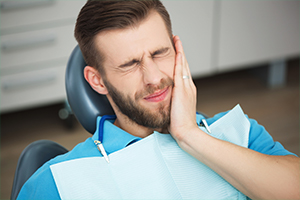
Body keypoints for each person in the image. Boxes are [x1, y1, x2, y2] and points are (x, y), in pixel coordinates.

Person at [17, 0, 299, 199]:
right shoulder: (59, 182)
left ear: (178, 50)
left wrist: (191, 136)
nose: (153, 78)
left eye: (159, 53)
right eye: (130, 64)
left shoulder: (239, 132)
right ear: (98, 81)